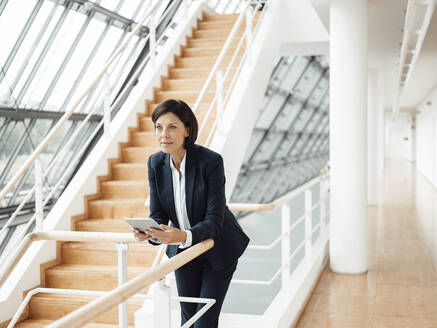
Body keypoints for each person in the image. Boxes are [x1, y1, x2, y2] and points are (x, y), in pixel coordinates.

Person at [132, 99, 250, 328]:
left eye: (172, 127)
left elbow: (214, 220)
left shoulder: (211, 162)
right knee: (188, 320)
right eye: (158, 126)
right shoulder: (155, 163)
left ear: (187, 130)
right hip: (184, 253)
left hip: (218, 249)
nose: (163, 134)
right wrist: (149, 231)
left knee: (203, 323)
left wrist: (183, 235)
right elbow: (158, 213)